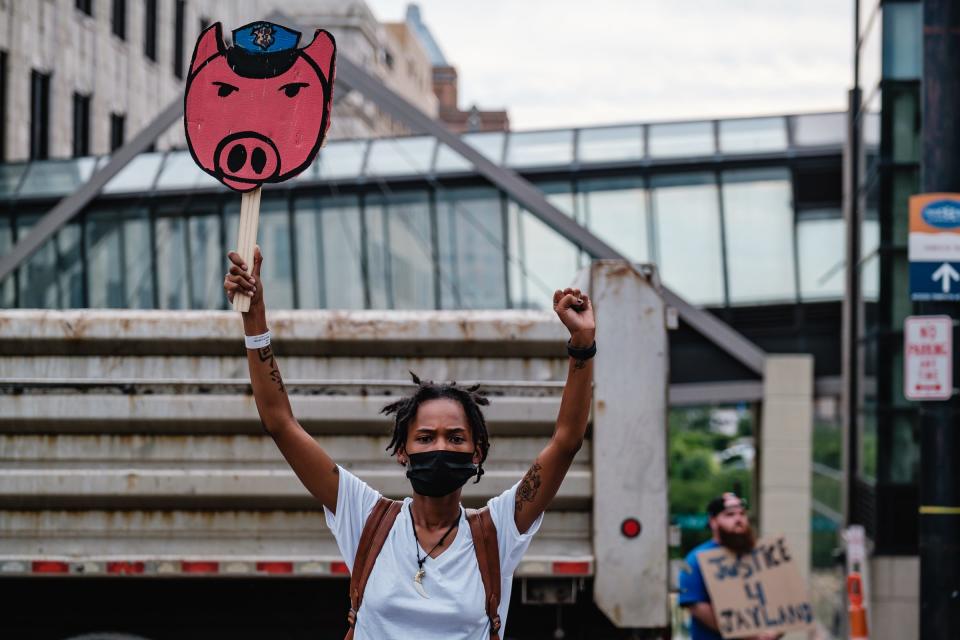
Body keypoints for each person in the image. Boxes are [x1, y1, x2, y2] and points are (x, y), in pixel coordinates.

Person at [223, 245, 596, 639]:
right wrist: (255, 319)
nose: (440, 446)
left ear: (477, 453)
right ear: (402, 451)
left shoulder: (496, 531)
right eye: (424, 437)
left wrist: (582, 345)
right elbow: (280, 423)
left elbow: (567, 440)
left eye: (455, 438)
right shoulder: (367, 518)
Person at [678, 492, 781, 640]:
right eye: (730, 514)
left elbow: (780, 600)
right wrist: (751, 636)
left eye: (742, 514)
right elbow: (696, 606)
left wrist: (776, 631)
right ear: (713, 521)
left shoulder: (761, 556)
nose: (738, 519)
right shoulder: (695, 560)